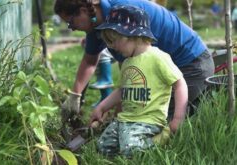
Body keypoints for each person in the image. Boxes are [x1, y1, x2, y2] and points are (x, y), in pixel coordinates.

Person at [57, 0, 214, 121]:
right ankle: (194, 105)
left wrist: (122, 113)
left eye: (70, 22)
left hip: (191, 65)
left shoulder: (123, 14)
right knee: (133, 117)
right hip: (169, 69)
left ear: (83, 11)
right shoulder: (97, 26)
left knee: (149, 120)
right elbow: (90, 62)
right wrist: (75, 96)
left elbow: (144, 72)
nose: (72, 28)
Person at [89, 6, 188, 156]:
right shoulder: (128, 62)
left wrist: (178, 118)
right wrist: (102, 108)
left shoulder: (158, 57)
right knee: (103, 147)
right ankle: (129, 146)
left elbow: (179, 83)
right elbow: (122, 91)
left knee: (131, 150)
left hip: (148, 121)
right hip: (125, 119)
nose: (112, 46)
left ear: (133, 35)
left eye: (114, 40)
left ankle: (163, 137)